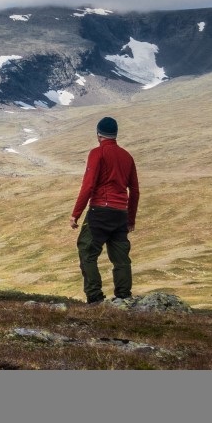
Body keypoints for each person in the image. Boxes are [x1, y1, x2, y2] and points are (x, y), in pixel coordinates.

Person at [70, 116, 140, 303]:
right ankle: (124, 297)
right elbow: (134, 190)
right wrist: (130, 219)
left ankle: (95, 298)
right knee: (121, 257)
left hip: (100, 211)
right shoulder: (127, 156)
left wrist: (75, 214)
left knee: (87, 251)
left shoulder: (97, 153)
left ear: (98, 134)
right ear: (115, 134)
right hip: (121, 214)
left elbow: (88, 186)